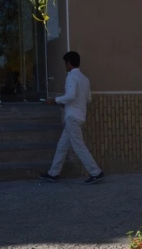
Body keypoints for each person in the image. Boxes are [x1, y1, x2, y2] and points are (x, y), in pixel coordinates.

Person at [39, 51, 104, 184]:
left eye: (65, 63)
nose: (65, 66)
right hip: (79, 117)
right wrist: (69, 104)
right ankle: (53, 173)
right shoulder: (85, 79)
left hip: (72, 118)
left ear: (69, 63)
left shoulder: (71, 77)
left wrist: (55, 100)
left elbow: (70, 96)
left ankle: (96, 172)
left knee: (79, 146)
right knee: (62, 146)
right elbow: (88, 99)